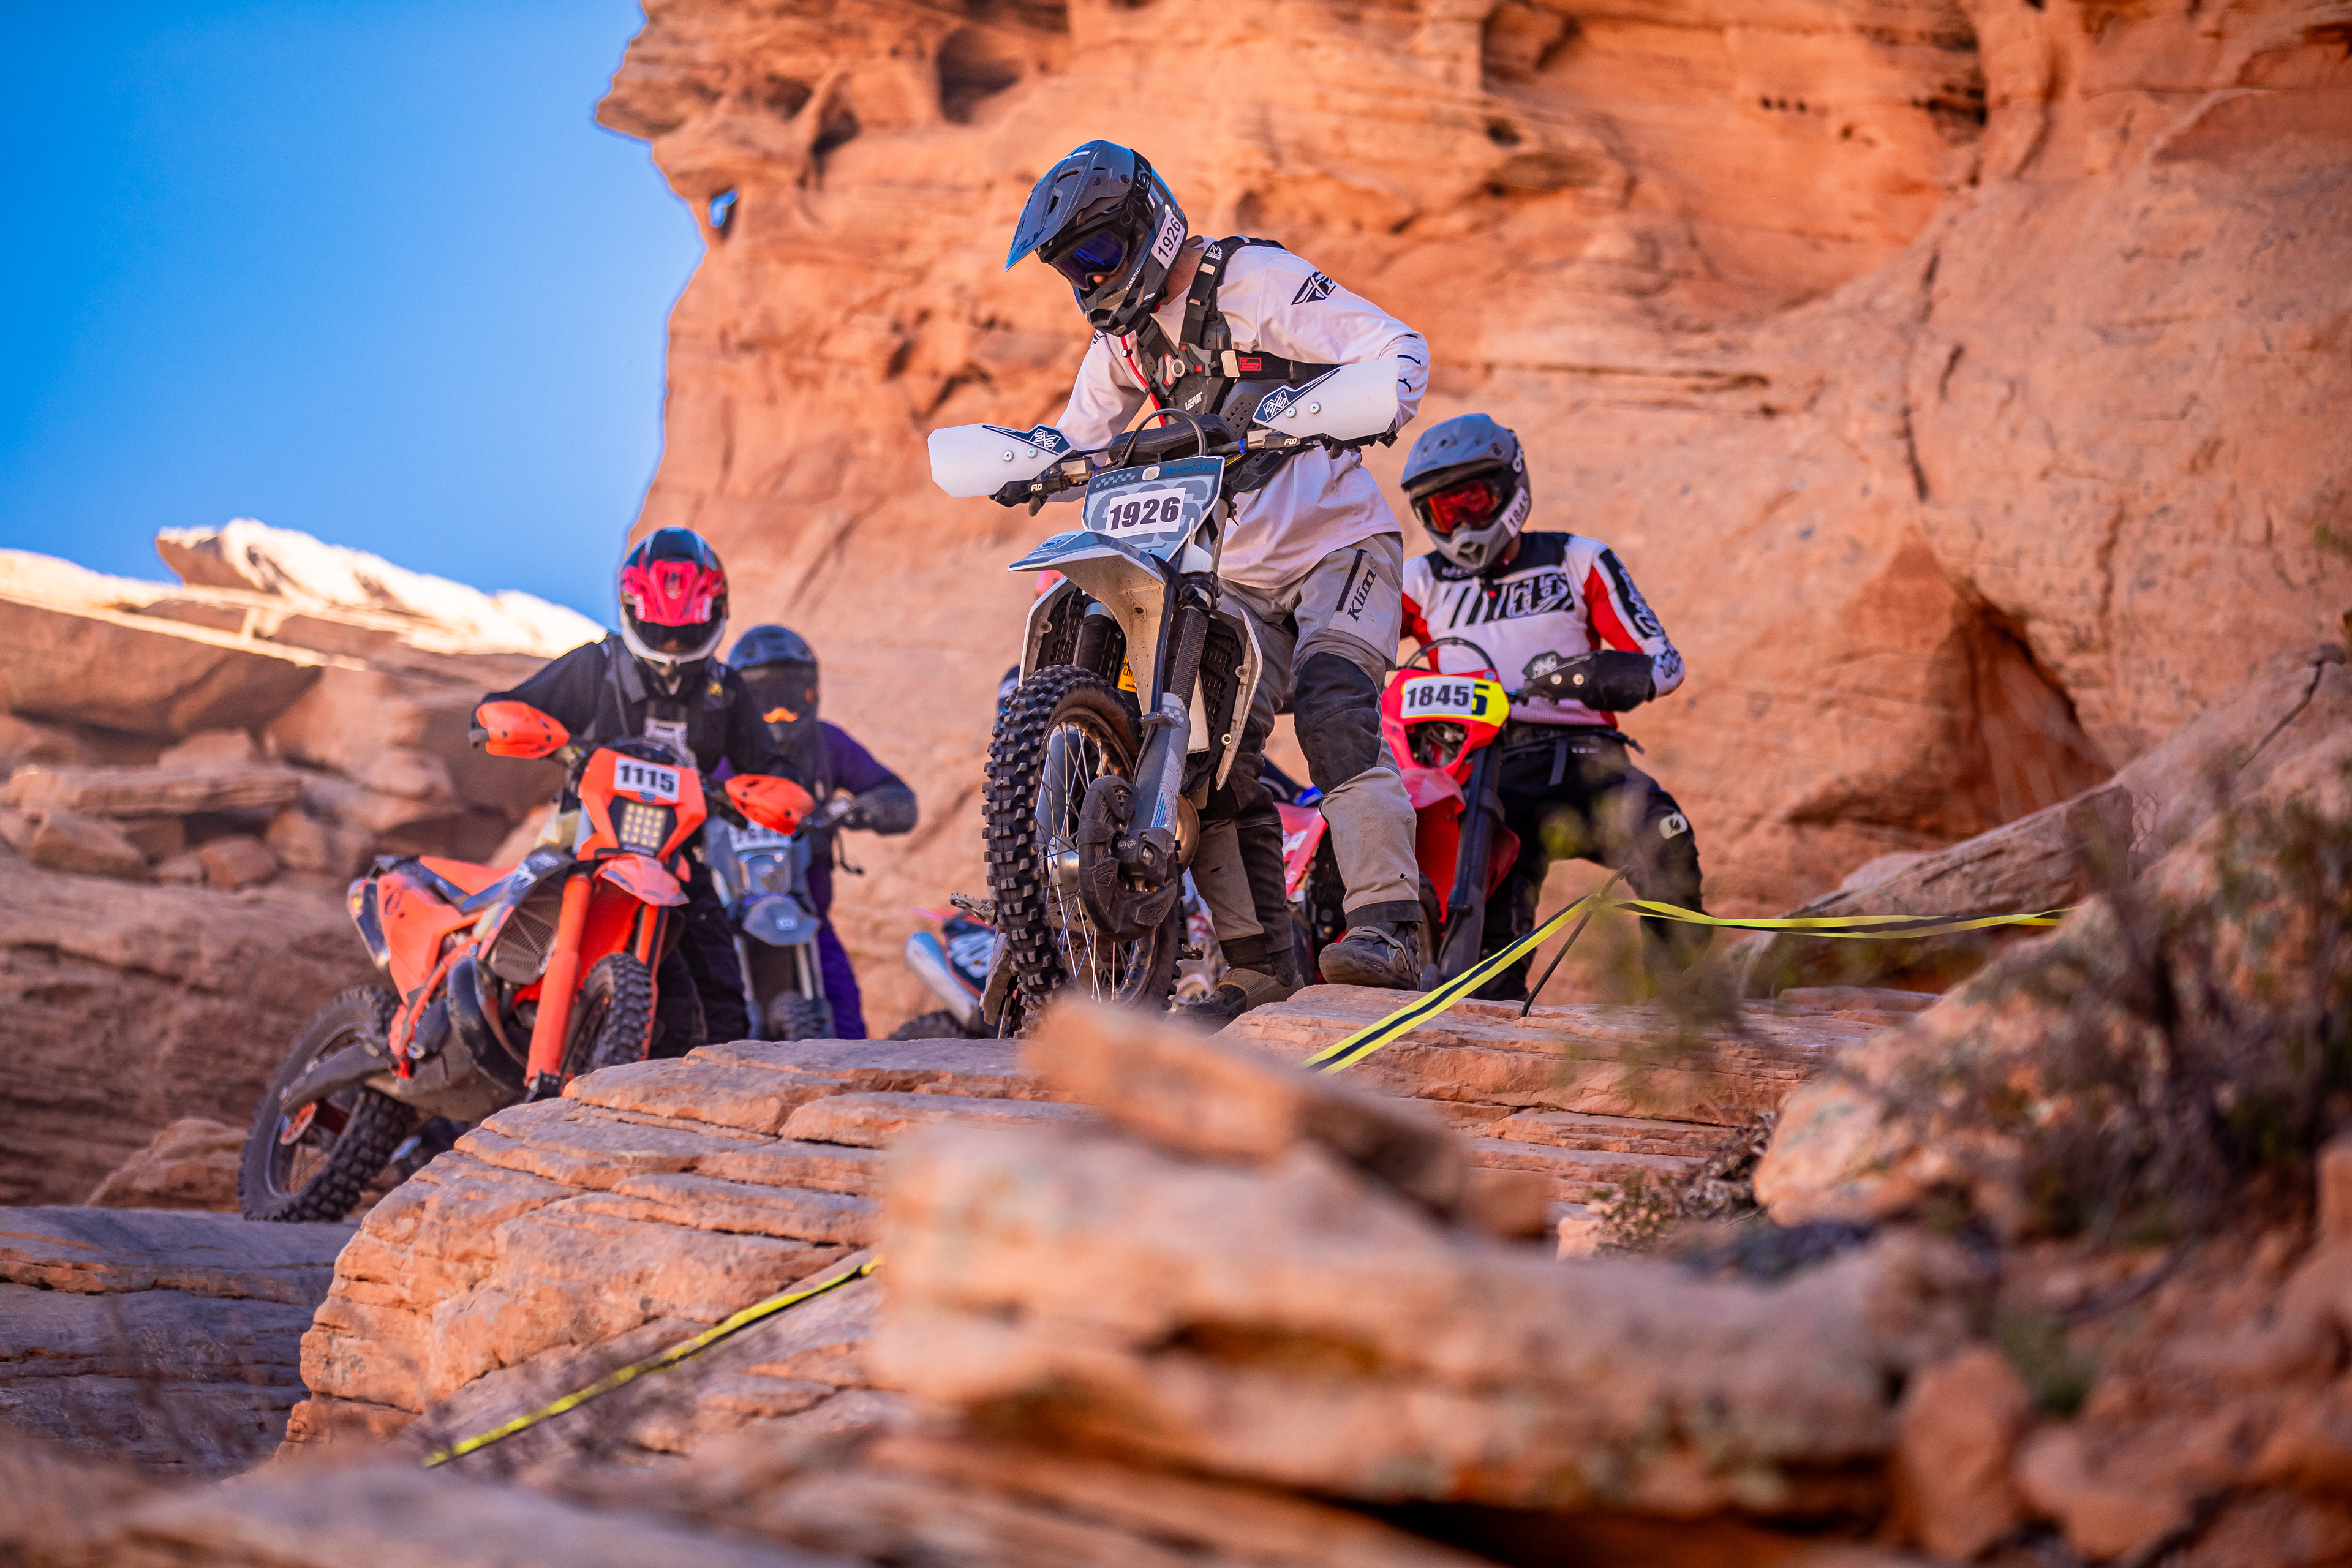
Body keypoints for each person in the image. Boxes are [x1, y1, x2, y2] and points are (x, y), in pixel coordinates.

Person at [1000, 139, 1430, 1020]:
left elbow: (1397, 348)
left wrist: (1332, 403)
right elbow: (1080, 440)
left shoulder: (1255, 282)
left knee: (1335, 707)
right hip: (1230, 573)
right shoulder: (1124, 343)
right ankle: (1260, 966)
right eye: (1073, 267)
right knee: (1206, 756)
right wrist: (1032, 462)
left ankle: (1391, 929)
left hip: (1339, 545)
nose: (1090, 280)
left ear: (1147, 225)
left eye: (1097, 252)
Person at [1397, 413, 1708, 995]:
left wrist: (1581, 678)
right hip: (1480, 771)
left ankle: (1677, 1007)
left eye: (1472, 501)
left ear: (1509, 486)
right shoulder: (1417, 580)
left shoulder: (1579, 558)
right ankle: (1480, 1023)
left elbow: (1665, 663)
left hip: (1584, 757)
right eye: (1444, 510)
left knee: (1663, 836)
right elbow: (1351, 648)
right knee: (1478, 924)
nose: (1461, 522)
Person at [475, 528, 803, 1051]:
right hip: (581, 837)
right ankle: (471, 1006)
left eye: (685, 632)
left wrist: (782, 795)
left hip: (680, 855)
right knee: (502, 935)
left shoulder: (725, 690)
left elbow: (771, 770)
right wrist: (505, 723)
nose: (672, 644)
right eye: (660, 629)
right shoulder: (596, 665)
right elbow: (509, 708)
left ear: (716, 615)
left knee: (721, 1002)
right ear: (632, 611)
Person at [727, 625, 918, 1040]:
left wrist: (856, 809)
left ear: (812, 693)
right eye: (764, 702)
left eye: (791, 698)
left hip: (809, 918)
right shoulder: (721, 749)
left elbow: (901, 800)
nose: (780, 714)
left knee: (847, 1026)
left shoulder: (825, 745)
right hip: (725, 924)